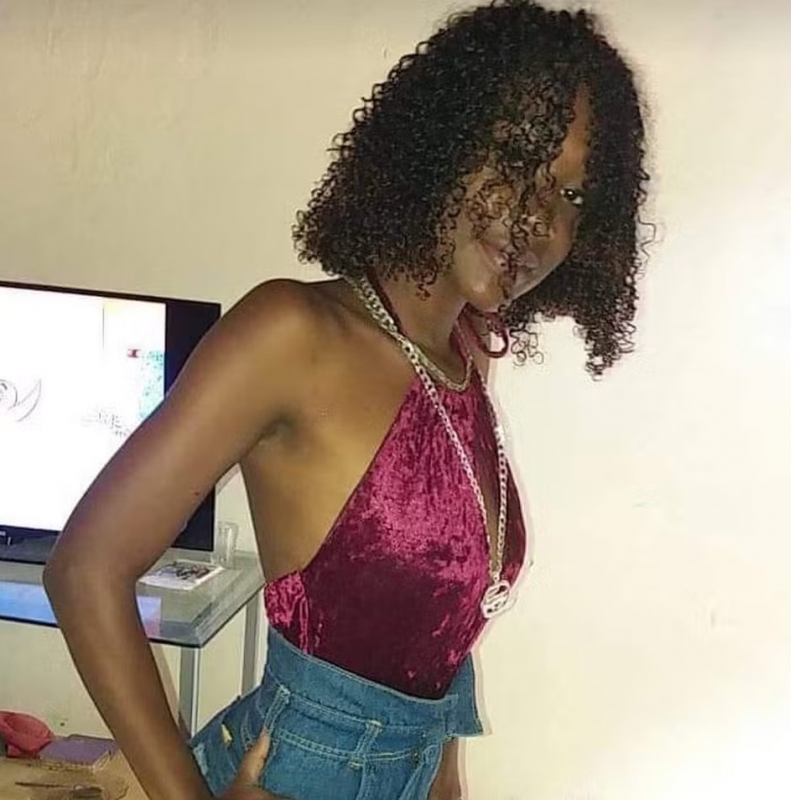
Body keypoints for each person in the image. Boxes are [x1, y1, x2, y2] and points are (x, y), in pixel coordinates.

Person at [43, 1, 648, 798]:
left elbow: (436, 634)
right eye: (514, 162)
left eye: (570, 195)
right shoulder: (293, 334)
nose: (537, 218)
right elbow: (84, 568)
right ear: (441, 144)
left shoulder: (466, 357)